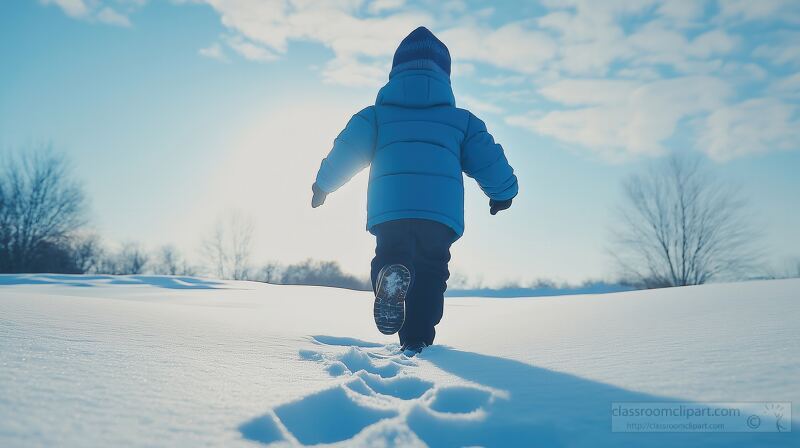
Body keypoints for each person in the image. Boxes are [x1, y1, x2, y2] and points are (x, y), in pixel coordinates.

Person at [311, 26, 518, 355]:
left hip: (391, 209)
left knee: (391, 255)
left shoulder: (376, 117)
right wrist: (502, 192)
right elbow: (489, 159)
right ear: (445, 77)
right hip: (439, 215)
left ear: (395, 72)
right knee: (432, 271)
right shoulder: (461, 122)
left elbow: (346, 151)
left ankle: (389, 279)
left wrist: (323, 185)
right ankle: (417, 338)